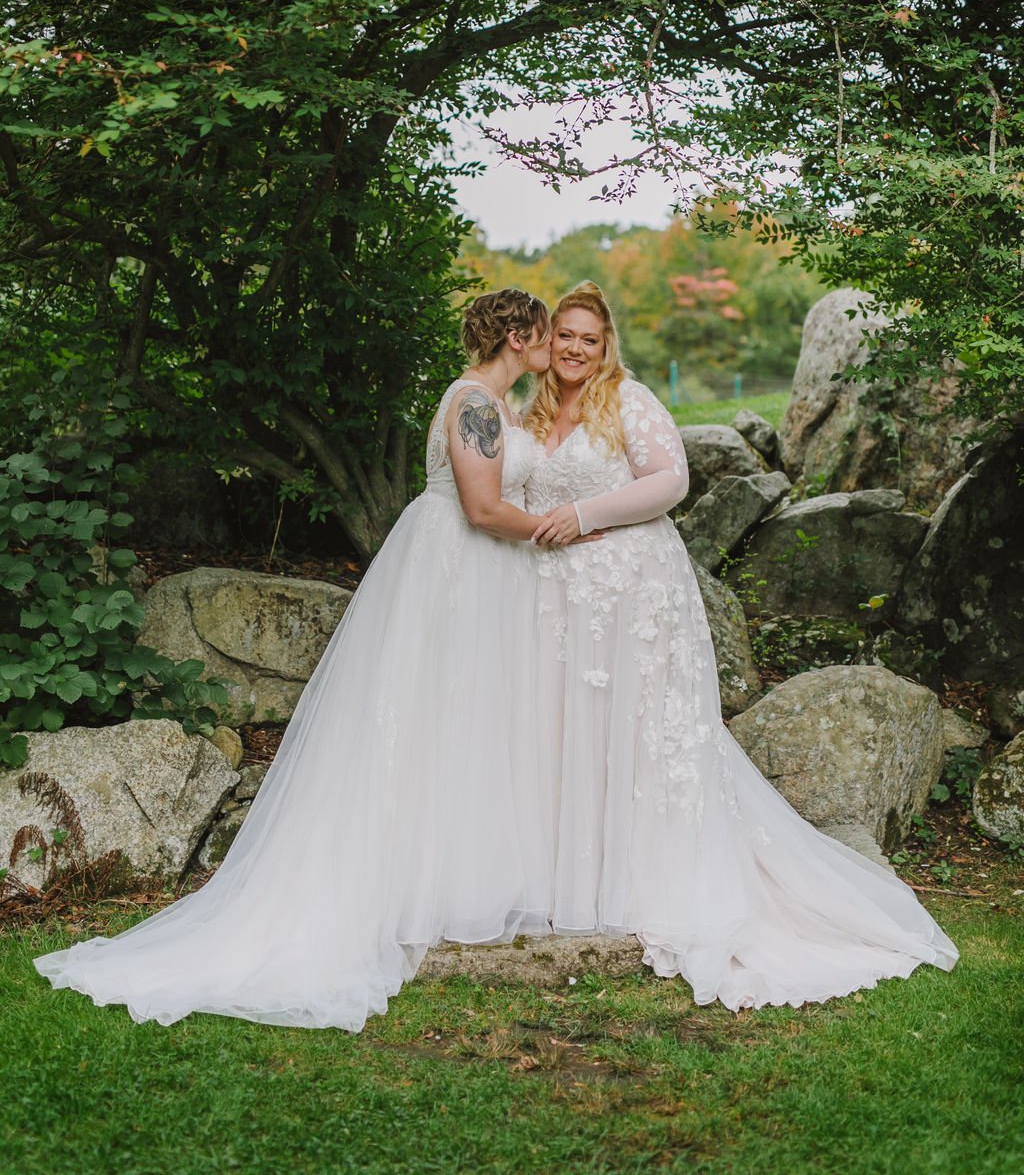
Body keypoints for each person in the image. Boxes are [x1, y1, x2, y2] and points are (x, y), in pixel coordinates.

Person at [34, 289, 564, 1031]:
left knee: (466, 721)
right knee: (428, 716)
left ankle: (460, 881)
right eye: (543, 332)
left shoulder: (503, 406)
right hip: (458, 566)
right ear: (517, 333)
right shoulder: (474, 402)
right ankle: (399, 888)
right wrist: (560, 530)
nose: (551, 345)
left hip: (486, 573)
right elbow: (481, 507)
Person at [522, 281, 958, 1011]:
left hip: (633, 595)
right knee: (574, 730)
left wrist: (581, 511)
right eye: (564, 335)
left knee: (640, 733)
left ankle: (651, 876)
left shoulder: (628, 401)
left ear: (606, 347)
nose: (574, 348)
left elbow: (671, 480)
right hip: (562, 600)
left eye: (588, 339)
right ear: (546, 342)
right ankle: (572, 872)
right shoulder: (531, 413)